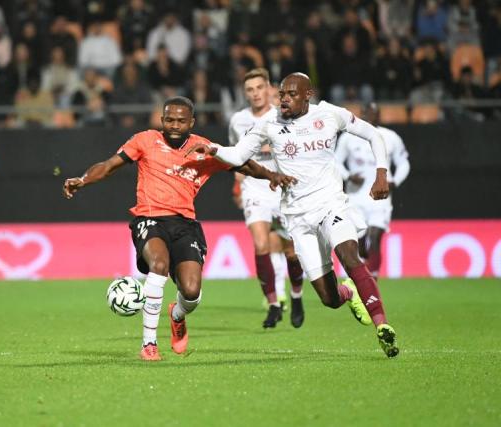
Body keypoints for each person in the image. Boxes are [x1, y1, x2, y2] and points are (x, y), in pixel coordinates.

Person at [63, 96, 295, 361]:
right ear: (162, 120)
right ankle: (148, 344)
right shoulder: (145, 140)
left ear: (191, 122)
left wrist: (271, 176)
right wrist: (82, 179)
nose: (174, 125)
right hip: (149, 218)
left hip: (185, 224)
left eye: (181, 121)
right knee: (158, 265)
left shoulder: (204, 148)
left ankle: (177, 315)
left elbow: (243, 163)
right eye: (169, 120)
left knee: (192, 291)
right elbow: (109, 166)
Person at [187, 73, 400, 358]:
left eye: (291, 94)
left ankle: (382, 325)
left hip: (331, 205)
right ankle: (349, 294)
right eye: (282, 94)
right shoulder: (268, 124)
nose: (284, 99)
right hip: (298, 218)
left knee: (350, 257)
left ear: (307, 95)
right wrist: (213, 149)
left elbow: (373, 134)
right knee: (329, 298)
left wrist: (381, 173)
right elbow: (238, 157)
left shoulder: (330, 114)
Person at [228, 68, 306, 328]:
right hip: (255, 188)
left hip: (283, 188)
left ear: (269, 88)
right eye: (250, 90)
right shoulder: (238, 121)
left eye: (259, 87)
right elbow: (238, 158)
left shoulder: (283, 115)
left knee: (291, 251)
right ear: (245, 93)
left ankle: (296, 295)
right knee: (261, 245)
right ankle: (273, 304)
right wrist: (238, 185)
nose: (255, 94)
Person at [335, 103, 410, 281]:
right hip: (355, 197)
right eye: (368, 113)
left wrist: (395, 181)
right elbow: (335, 160)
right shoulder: (349, 137)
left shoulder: (391, 137)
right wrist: (348, 176)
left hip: (381, 198)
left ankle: (373, 281)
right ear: (362, 114)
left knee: (375, 237)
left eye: (376, 113)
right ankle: (363, 274)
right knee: (360, 244)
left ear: (379, 115)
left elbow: (404, 162)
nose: (372, 116)